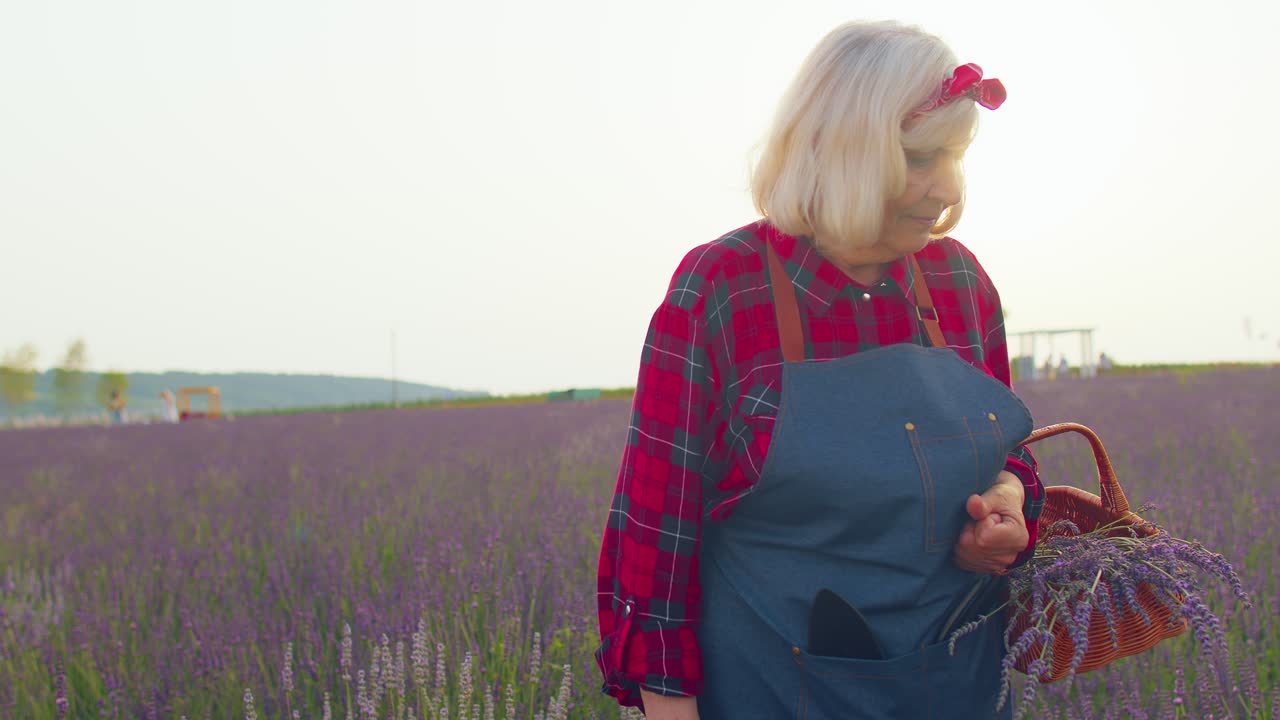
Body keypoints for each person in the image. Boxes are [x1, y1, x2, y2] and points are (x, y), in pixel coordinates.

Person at [594, 21, 1044, 720]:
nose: (944, 187)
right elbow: (657, 536)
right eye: (920, 158)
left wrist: (1007, 508)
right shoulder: (723, 288)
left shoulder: (959, 282)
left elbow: (1003, 454)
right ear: (840, 152)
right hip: (769, 690)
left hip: (953, 688)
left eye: (954, 157)